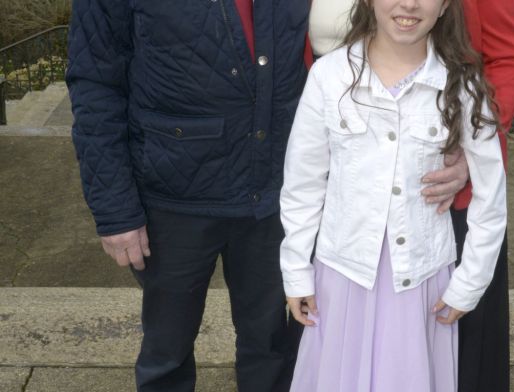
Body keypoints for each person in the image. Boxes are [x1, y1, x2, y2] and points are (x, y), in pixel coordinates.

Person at [66, 0, 468, 391]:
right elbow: (95, 83)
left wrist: (460, 142)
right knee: (166, 351)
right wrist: (115, 209)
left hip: (273, 197)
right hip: (173, 196)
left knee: (271, 348)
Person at [280, 0, 508, 390]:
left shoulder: (464, 84)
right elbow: (303, 183)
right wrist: (296, 269)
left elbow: (491, 196)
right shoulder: (329, 77)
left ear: (446, 5)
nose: (409, 4)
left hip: (421, 280)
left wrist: (470, 281)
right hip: (342, 275)